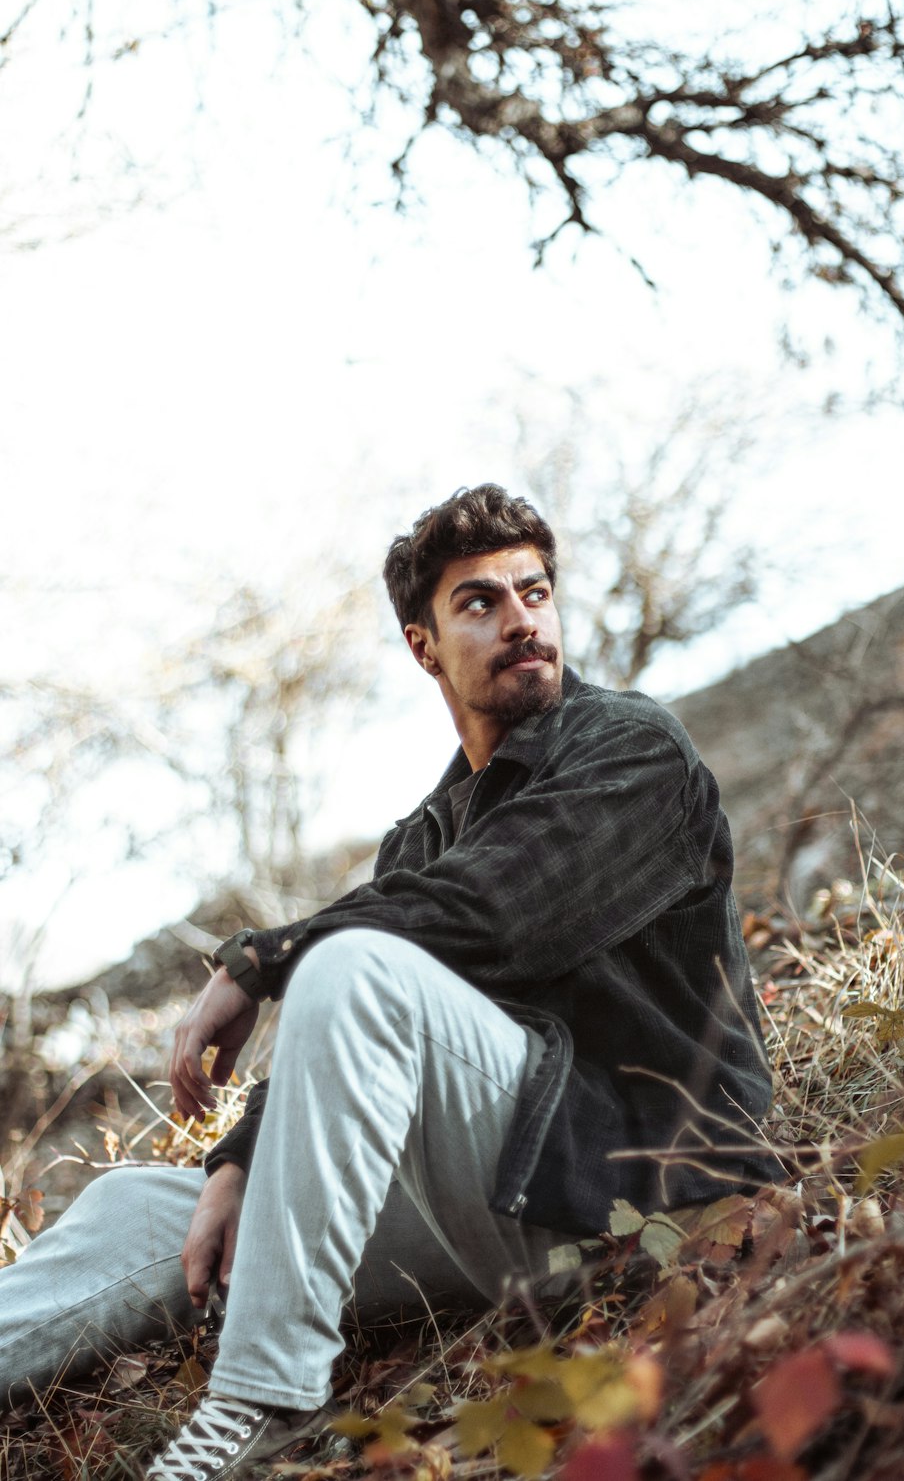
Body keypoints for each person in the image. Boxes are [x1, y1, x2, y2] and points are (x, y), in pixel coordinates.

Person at [0, 485, 776, 1480]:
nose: (520, 620)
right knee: (133, 1207)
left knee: (353, 962)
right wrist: (245, 1154)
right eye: (480, 603)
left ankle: (265, 1392)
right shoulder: (420, 838)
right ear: (424, 646)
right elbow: (355, 1018)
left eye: (534, 592)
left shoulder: (631, 749)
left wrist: (260, 959)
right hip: (491, 1200)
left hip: (640, 1190)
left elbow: (497, 916)